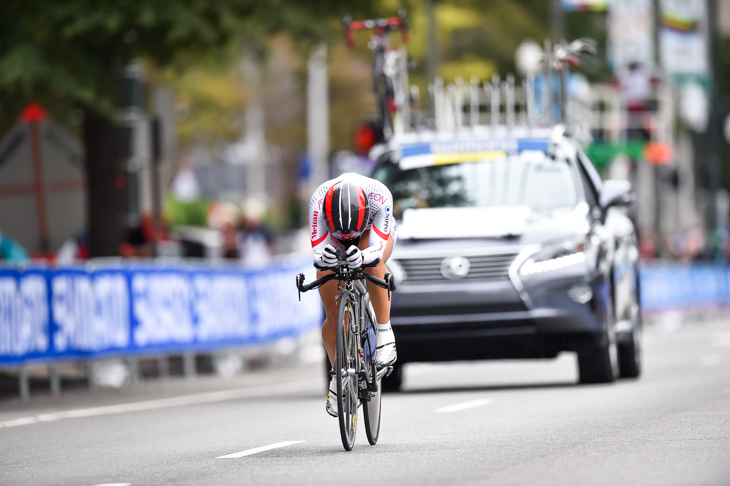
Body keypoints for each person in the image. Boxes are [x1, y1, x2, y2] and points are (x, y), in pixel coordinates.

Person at [309, 172, 397, 417]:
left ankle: (384, 334)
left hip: (373, 233)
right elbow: (317, 252)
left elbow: (377, 250)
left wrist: (363, 254)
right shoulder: (318, 200)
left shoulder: (379, 196)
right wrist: (324, 258)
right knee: (333, 311)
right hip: (332, 238)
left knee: (371, 264)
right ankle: (338, 376)